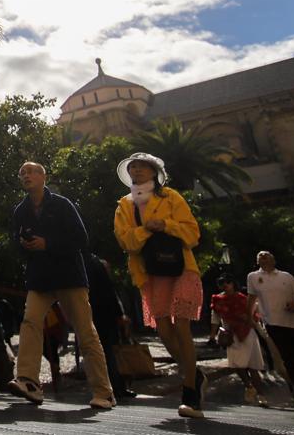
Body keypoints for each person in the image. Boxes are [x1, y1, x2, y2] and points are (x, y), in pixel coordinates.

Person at [5, 160, 114, 408]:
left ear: (44, 177)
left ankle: (103, 392)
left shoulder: (62, 205)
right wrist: (23, 244)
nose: (26, 175)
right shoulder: (19, 211)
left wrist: (48, 243)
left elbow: (80, 238)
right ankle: (28, 381)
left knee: (85, 332)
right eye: (22, 172)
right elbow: (15, 244)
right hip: (39, 278)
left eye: (31, 171)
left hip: (68, 277)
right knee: (30, 322)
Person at [113, 152, 205, 418]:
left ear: (154, 172)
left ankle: (190, 391)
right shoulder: (124, 205)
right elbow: (126, 240)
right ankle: (195, 374)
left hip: (181, 268)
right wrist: (146, 230)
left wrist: (165, 225)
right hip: (150, 273)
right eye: (133, 167)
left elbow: (192, 232)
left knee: (182, 325)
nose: (137, 170)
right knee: (164, 330)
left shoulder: (171, 197)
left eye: (142, 167)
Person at [247, 252, 294, 410]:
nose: (263, 256)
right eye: (260, 255)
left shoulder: (286, 276)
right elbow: (251, 298)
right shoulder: (253, 277)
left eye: (266, 255)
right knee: (289, 361)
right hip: (273, 324)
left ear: (273, 259)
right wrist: (248, 317)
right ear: (257, 260)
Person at [210, 275, 267, 407]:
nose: (225, 285)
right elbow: (215, 318)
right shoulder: (218, 300)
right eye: (221, 283)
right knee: (236, 364)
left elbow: (254, 315)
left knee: (253, 366)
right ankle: (249, 386)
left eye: (228, 282)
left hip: (248, 333)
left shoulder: (243, 299)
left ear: (233, 283)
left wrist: (262, 332)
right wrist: (212, 335)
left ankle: (260, 395)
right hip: (231, 334)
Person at [85, 252, 135, 399]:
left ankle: (108, 386)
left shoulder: (84, 264)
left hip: (94, 315)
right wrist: (120, 315)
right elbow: (110, 294)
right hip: (105, 316)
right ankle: (116, 387)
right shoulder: (95, 264)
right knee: (110, 353)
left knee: (101, 352)